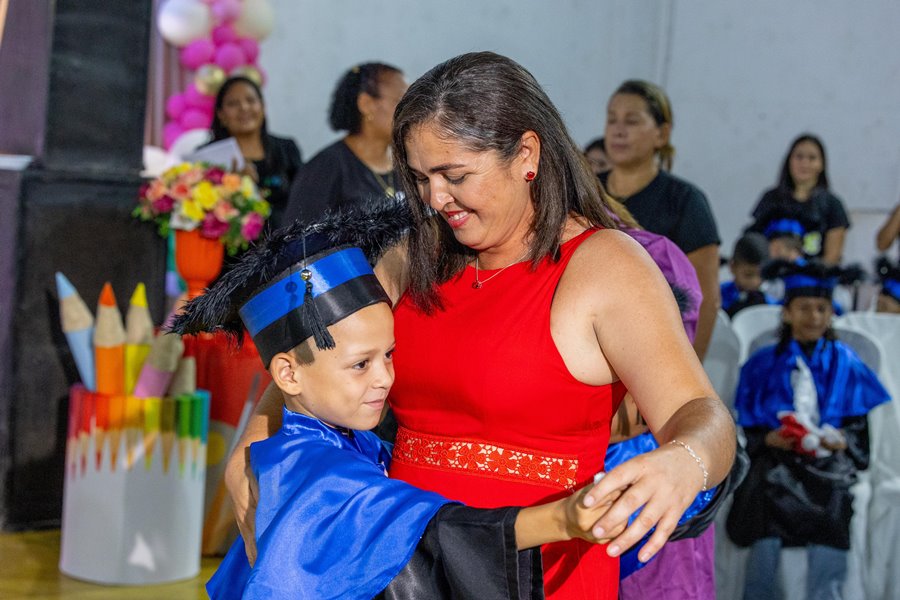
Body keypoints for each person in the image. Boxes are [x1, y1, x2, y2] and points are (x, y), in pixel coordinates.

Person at [226, 52, 737, 600]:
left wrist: (686, 460)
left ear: (526, 154)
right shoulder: (411, 256)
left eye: (455, 176)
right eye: (420, 178)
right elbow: (313, 358)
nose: (435, 199)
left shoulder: (605, 266)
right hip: (410, 568)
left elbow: (701, 413)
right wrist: (255, 441)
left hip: (543, 572)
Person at [171, 210, 626, 599]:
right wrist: (562, 518)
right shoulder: (312, 470)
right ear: (287, 374)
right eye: (360, 365)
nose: (385, 378)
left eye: (389, 355)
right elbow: (433, 533)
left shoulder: (329, 440)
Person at [726, 260, 890, 600]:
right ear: (786, 313)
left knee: (834, 505)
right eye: (804, 308)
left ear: (831, 312)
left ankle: (826, 593)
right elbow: (748, 430)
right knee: (764, 502)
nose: (813, 316)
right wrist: (769, 438)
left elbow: (858, 433)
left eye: (821, 308)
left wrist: (840, 440)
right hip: (777, 464)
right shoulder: (762, 363)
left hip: (827, 468)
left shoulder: (846, 362)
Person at [599, 80, 721, 360]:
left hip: (655, 351)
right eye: (611, 119)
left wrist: (690, 372)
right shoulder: (587, 191)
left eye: (631, 121)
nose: (618, 130)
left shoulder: (686, 201)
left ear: (662, 133)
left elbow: (705, 300)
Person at [283, 63, 408, 225]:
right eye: (402, 101)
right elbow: (296, 241)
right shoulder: (325, 168)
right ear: (366, 104)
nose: (412, 110)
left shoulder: (408, 162)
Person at [210, 76, 302, 230]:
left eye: (251, 100)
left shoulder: (286, 149)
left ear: (263, 107)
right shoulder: (208, 158)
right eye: (233, 104)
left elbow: (304, 199)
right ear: (221, 114)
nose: (244, 108)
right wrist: (233, 189)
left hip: (285, 242)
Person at [746, 134, 850, 265]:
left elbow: (832, 258)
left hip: (814, 282)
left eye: (812, 158)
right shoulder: (771, 198)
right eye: (799, 157)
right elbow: (753, 241)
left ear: (821, 164)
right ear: (789, 161)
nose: (804, 163)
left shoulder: (832, 204)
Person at [721, 232, 776, 318]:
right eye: (748, 275)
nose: (755, 281)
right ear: (732, 267)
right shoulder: (718, 296)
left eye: (761, 275)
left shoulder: (770, 304)